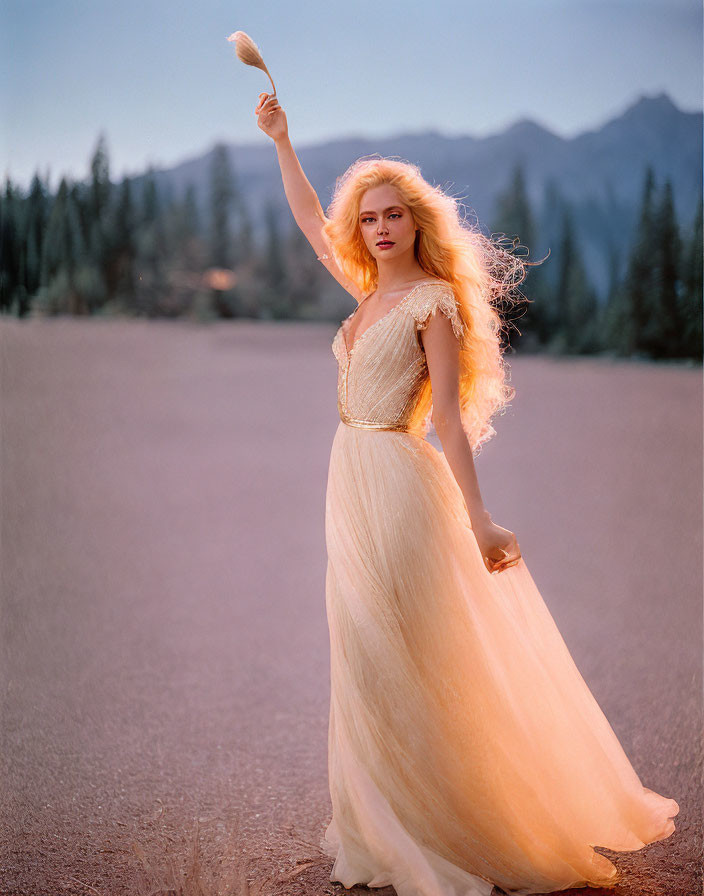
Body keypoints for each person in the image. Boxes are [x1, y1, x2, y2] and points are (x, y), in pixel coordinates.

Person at [254, 91, 680, 896]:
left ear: (418, 224)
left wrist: (479, 518)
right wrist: (282, 140)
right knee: (363, 659)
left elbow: (447, 416)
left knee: (403, 652)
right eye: (370, 217)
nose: (381, 228)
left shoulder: (430, 304)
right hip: (347, 486)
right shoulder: (365, 292)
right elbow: (311, 220)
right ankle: (389, 824)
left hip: (401, 491)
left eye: (395, 215)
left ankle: (446, 827)